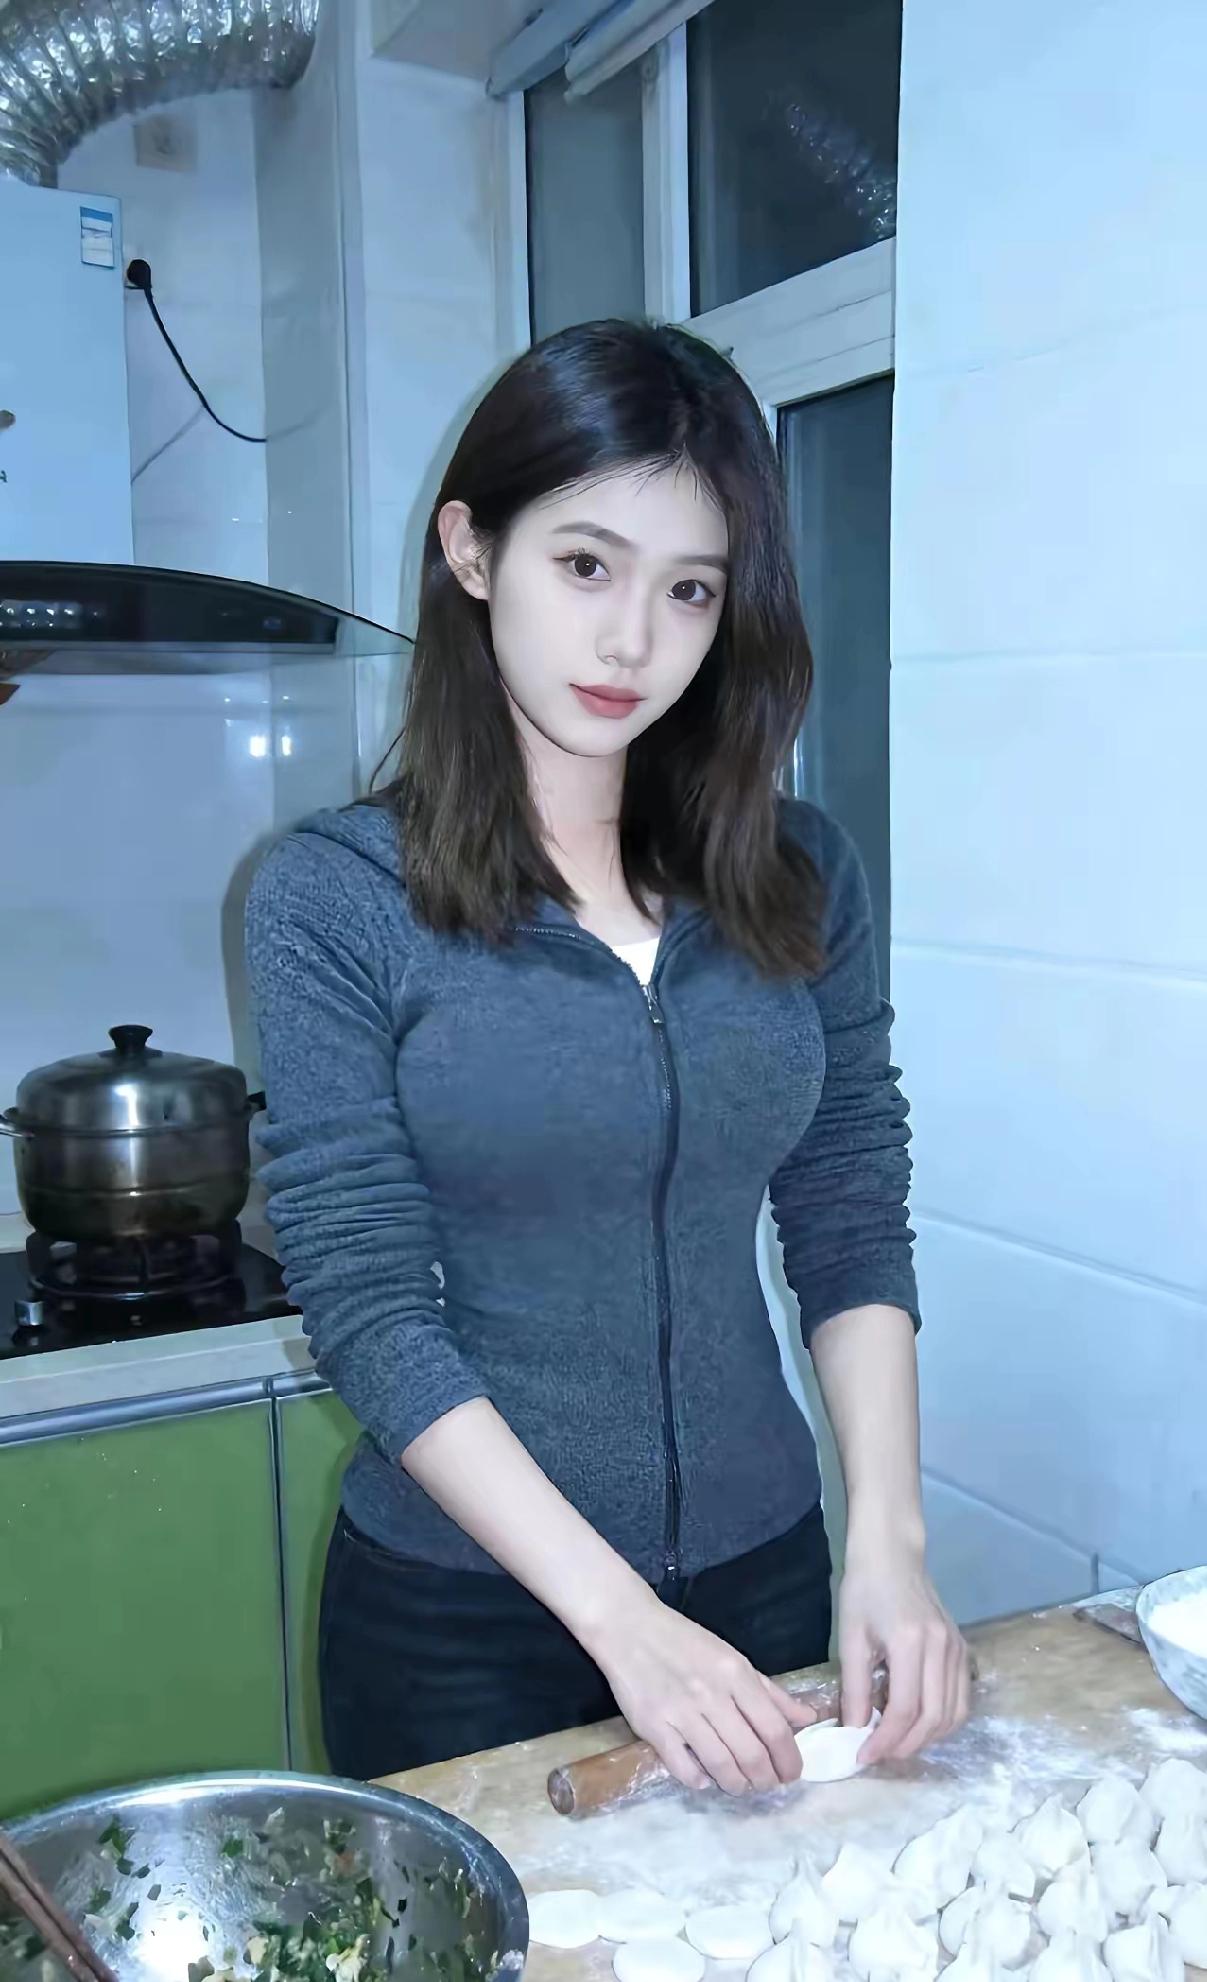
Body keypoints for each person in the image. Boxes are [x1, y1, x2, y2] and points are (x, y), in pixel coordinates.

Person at [245, 318, 970, 1793]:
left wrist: (889, 1539)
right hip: (462, 1622)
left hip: (767, 1572)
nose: (634, 641)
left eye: (688, 588)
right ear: (471, 549)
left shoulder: (798, 874)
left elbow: (847, 1201)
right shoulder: (334, 898)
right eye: (586, 565)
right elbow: (369, 1301)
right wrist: (621, 1620)